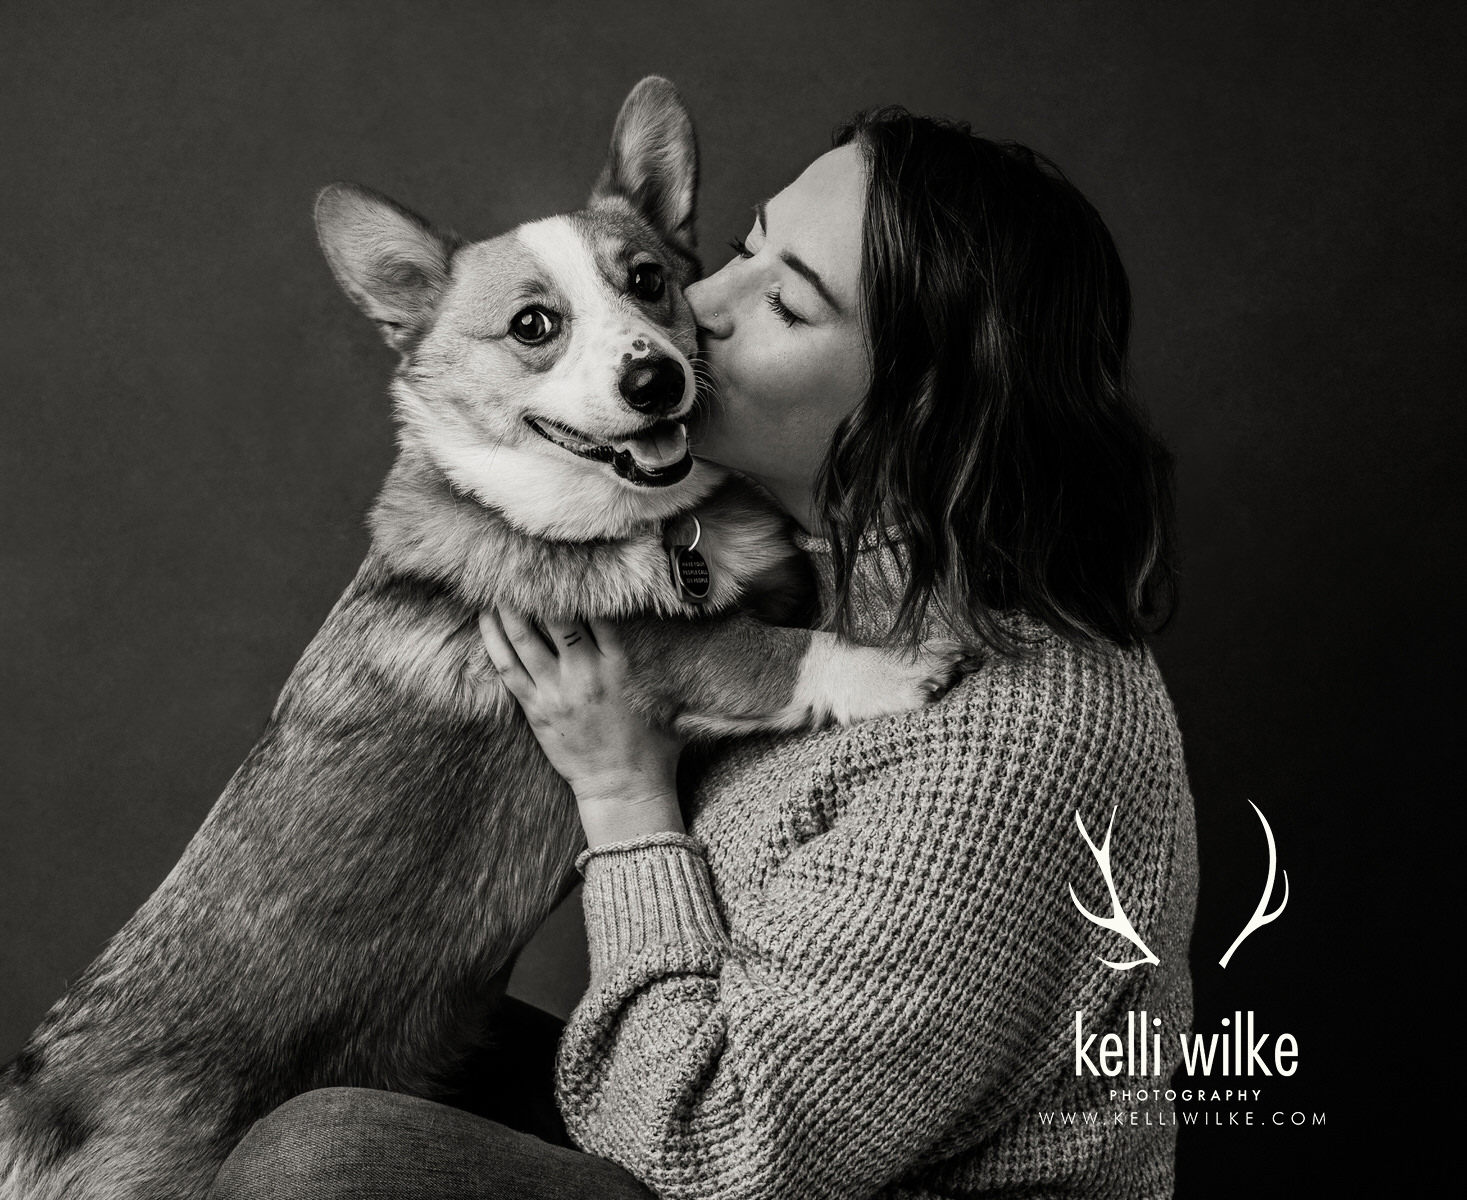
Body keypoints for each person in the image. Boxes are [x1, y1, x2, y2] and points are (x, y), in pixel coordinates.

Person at [211, 108, 1197, 1200]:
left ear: (921, 404)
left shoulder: (1011, 735)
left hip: (733, 1155)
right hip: (699, 1103)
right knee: (286, 1093)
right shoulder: (773, 567)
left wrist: (623, 792)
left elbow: (722, 1155)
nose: (693, 308)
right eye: (741, 250)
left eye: (783, 300)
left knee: (323, 1164)